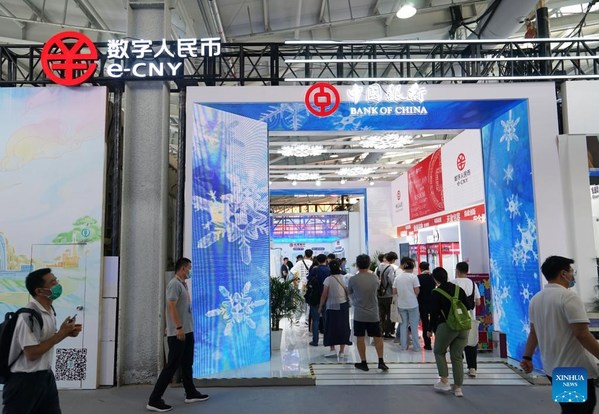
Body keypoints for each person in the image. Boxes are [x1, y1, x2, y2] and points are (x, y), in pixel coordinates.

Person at [521, 256, 599, 414]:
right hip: (573, 367)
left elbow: (534, 332)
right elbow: (582, 334)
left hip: (552, 367)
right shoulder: (569, 297)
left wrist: (527, 357)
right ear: (563, 274)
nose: (573, 275)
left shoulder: (536, 299)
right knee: (581, 410)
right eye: (571, 271)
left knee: (570, 408)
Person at [2, 268, 82, 414]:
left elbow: (46, 340)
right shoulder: (28, 316)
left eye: (56, 280)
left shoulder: (49, 311)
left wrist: (67, 332)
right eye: (53, 283)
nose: (57, 285)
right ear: (39, 291)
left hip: (45, 377)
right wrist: (61, 334)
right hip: (24, 382)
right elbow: (31, 353)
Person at [147, 258, 208, 412]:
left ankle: (191, 393)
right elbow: (171, 307)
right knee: (172, 366)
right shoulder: (174, 284)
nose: (190, 271)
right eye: (189, 268)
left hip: (187, 331)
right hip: (179, 332)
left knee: (187, 363)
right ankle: (154, 400)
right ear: (182, 268)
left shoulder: (182, 284)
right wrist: (177, 327)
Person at [428, 267, 470, 398]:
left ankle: (444, 381)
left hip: (447, 327)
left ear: (435, 279)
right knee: (457, 356)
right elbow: (468, 306)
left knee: (439, 351)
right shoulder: (458, 290)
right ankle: (458, 389)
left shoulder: (436, 292)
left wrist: (429, 329)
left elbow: (434, 314)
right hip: (463, 327)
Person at [347, 254, 389, 372]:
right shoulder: (375, 278)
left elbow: (349, 292)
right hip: (373, 313)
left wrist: (355, 299)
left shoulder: (353, 279)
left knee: (360, 337)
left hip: (359, 313)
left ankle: (363, 362)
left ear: (357, 264)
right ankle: (381, 361)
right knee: (377, 337)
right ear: (369, 264)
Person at [318, 259, 352, 359]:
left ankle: (332, 349)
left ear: (330, 268)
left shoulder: (328, 279)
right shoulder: (344, 278)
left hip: (331, 306)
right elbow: (348, 291)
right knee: (344, 327)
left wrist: (320, 306)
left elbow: (324, 295)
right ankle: (342, 351)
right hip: (343, 305)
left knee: (330, 327)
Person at [452, 261, 481, 377]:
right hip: (469, 317)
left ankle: (458, 366)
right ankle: (472, 368)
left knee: (456, 342)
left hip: (455, 318)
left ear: (457, 270)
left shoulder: (452, 282)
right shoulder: (473, 284)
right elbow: (478, 302)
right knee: (471, 343)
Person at [393, 258, 420, 351]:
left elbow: (394, 291)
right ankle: (416, 347)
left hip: (401, 304)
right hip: (413, 304)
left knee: (403, 325)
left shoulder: (398, 278)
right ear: (412, 268)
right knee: (413, 326)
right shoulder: (413, 277)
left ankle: (404, 346)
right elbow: (417, 290)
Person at [307, 254, 330, 347]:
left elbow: (308, 281)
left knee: (315, 319)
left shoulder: (314, 270)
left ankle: (315, 341)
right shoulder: (329, 270)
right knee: (326, 319)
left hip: (315, 297)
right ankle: (327, 340)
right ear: (325, 260)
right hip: (327, 297)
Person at [376, 252, 397, 339]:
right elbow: (391, 280)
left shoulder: (378, 267)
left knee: (381, 313)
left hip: (379, 294)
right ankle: (387, 333)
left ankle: (380, 331)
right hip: (388, 294)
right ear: (392, 259)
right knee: (389, 314)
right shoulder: (390, 268)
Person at [417, 262, 436, 350]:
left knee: (425, 323)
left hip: (422, 303)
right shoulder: (433, 277)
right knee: (434, 322)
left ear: (420, 268)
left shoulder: (418, 278)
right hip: (433, 302)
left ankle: (427, 344)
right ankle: (438, 343)